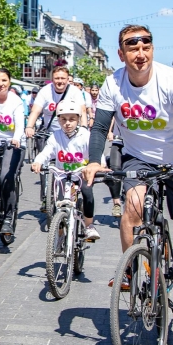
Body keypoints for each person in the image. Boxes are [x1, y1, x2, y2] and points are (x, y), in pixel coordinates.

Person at [82, 24, 173, 320]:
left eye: (146, 47)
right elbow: (100, 127)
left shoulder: (172, 80)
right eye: (133, 48)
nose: (140, 54)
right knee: (133, 209)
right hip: (138, 159)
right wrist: (94, 160)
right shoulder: (113, 84)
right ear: (121, 54)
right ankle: (130, 268)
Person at [32, 100, 100, 241]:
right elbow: (46, 152)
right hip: (62, 174)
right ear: (58, 119)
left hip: (81, 173)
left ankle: (89, 226)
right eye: (63, 119)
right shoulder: (55, 136)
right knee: (59, 202)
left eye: (71, 119)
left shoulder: (86, 135)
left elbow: (96, 154)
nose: (67, 123)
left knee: (87, 192)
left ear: (78, 119)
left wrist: (100, 165)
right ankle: (60, 235)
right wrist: (38, 161)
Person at [26, 67, 87, 209]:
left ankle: (72, 193)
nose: (60, 81)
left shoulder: (75, 92)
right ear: (52, 79)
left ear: (68, 80)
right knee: (44, 163)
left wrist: (83, 128)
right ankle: (46, 198)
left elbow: (83, 111)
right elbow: (36, 110)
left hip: (71, 134)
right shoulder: (45, 91)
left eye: (63, 78)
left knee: (70, 163)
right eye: (57, 78)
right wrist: (29, 126)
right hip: (49, 133)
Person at [0, 67, 25, 244]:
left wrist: (16, 138)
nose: (0, 84)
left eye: (4, 80)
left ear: (9, 82)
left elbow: (19, 124)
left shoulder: (15, 101)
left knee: (6, 176)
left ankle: (8, 217)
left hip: (13, 144)